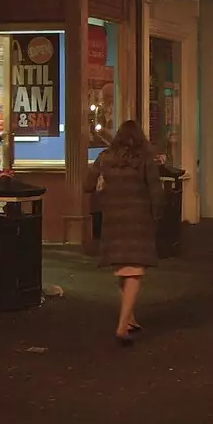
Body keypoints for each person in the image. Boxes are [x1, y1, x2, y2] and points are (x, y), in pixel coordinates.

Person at [94, 120, 163, 345]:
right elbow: (155, 190)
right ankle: (122, 327)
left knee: (123, 268)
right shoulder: (145, 159)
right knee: (133, 271)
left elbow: (87, 183)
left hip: (113, 219)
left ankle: (130, 318)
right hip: (138, 219)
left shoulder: (104, 157)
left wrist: (102, 184)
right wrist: (158, 215)